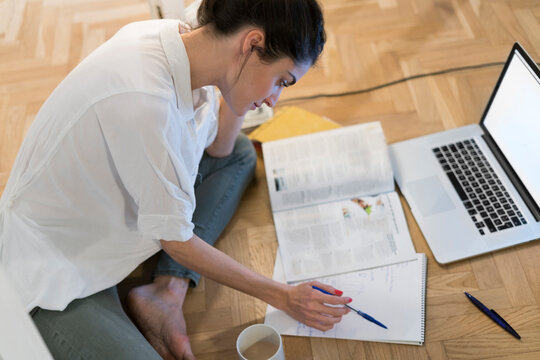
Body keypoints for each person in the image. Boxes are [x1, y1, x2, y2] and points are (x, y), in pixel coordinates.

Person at [0, 0, 352, 358]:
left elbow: (219, 150)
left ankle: (165, 294)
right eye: (281, 81)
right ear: (251, 43)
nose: (274, 99)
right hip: (56, 270)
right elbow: (176, 240)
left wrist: (244, 98)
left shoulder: (185, 43)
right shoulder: (145, 101)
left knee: (239, 154)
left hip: (111, 228)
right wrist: (283, 296)